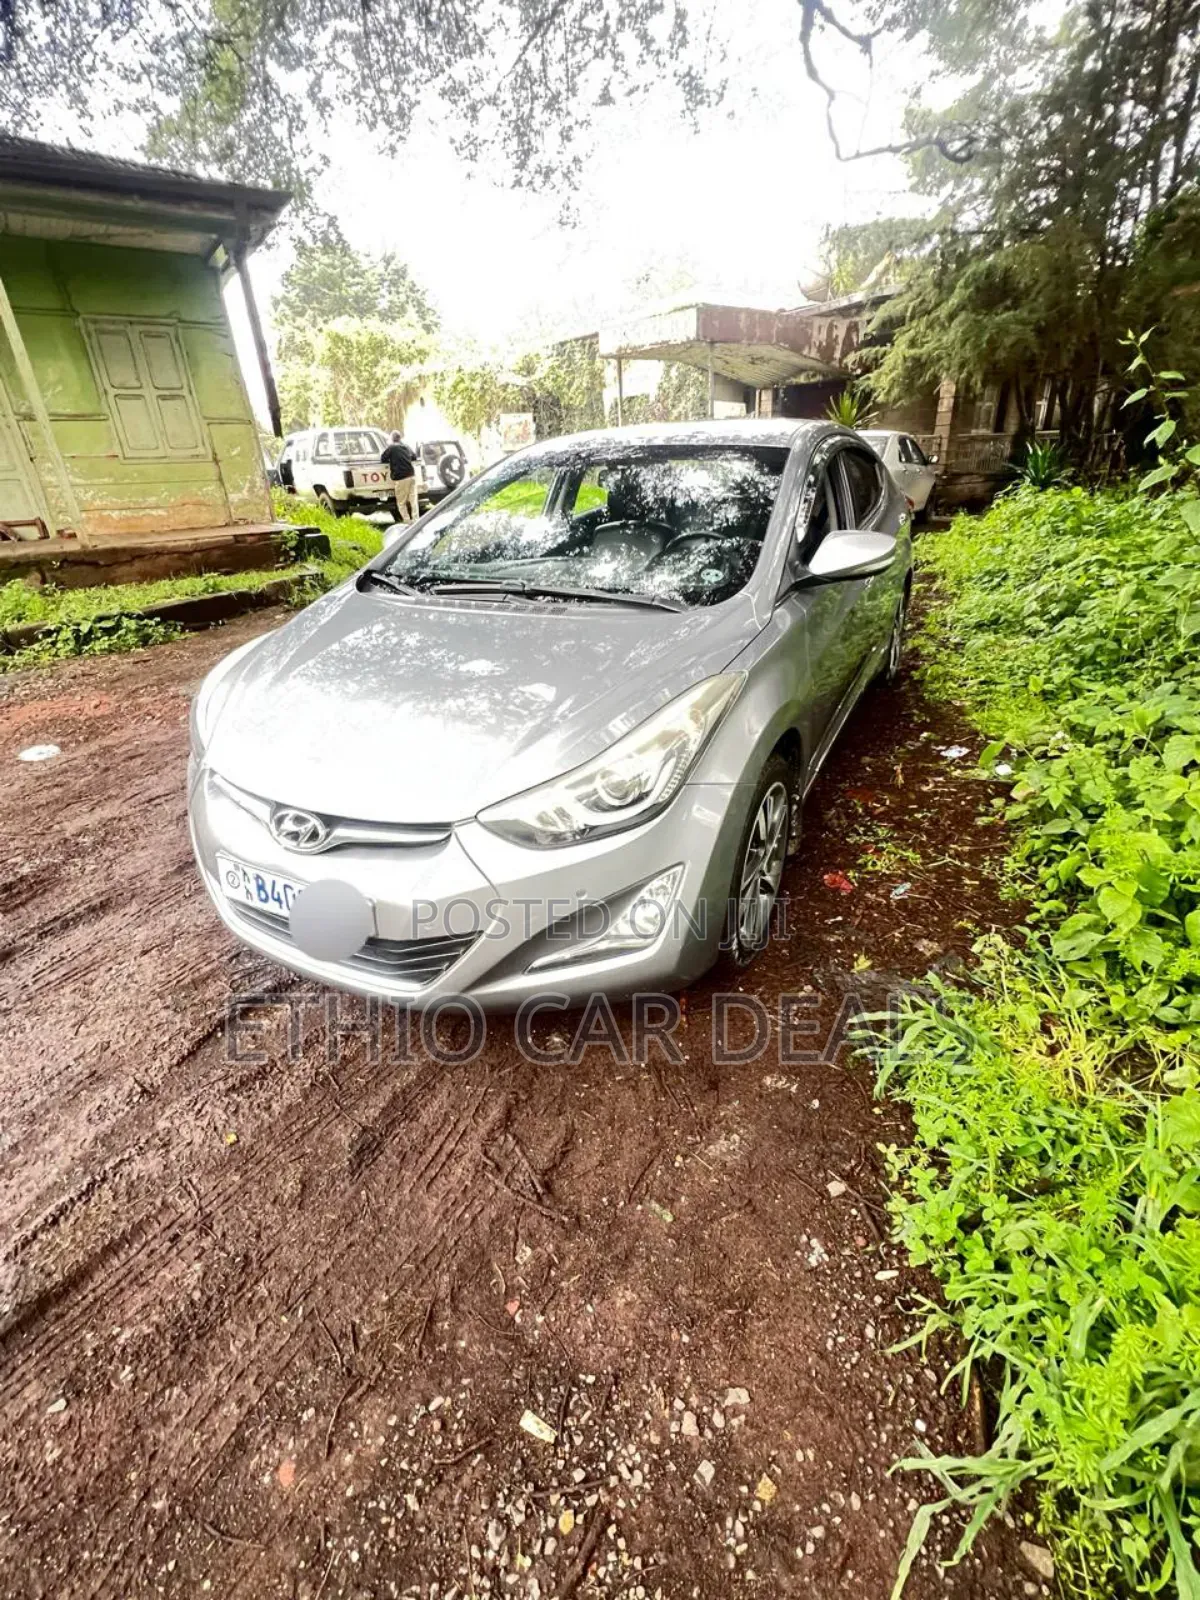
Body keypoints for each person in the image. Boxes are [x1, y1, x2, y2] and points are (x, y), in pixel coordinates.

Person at [381, 432, 418, 523]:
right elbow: (414, 457)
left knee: (401, 503)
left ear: (392, 439)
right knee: (413, 500)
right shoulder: (406, 446)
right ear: (400, 438)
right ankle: (416, 520)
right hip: (412, 475)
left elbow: (383, 458)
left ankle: (407, 521)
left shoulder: (392, 448)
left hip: (401, 478)